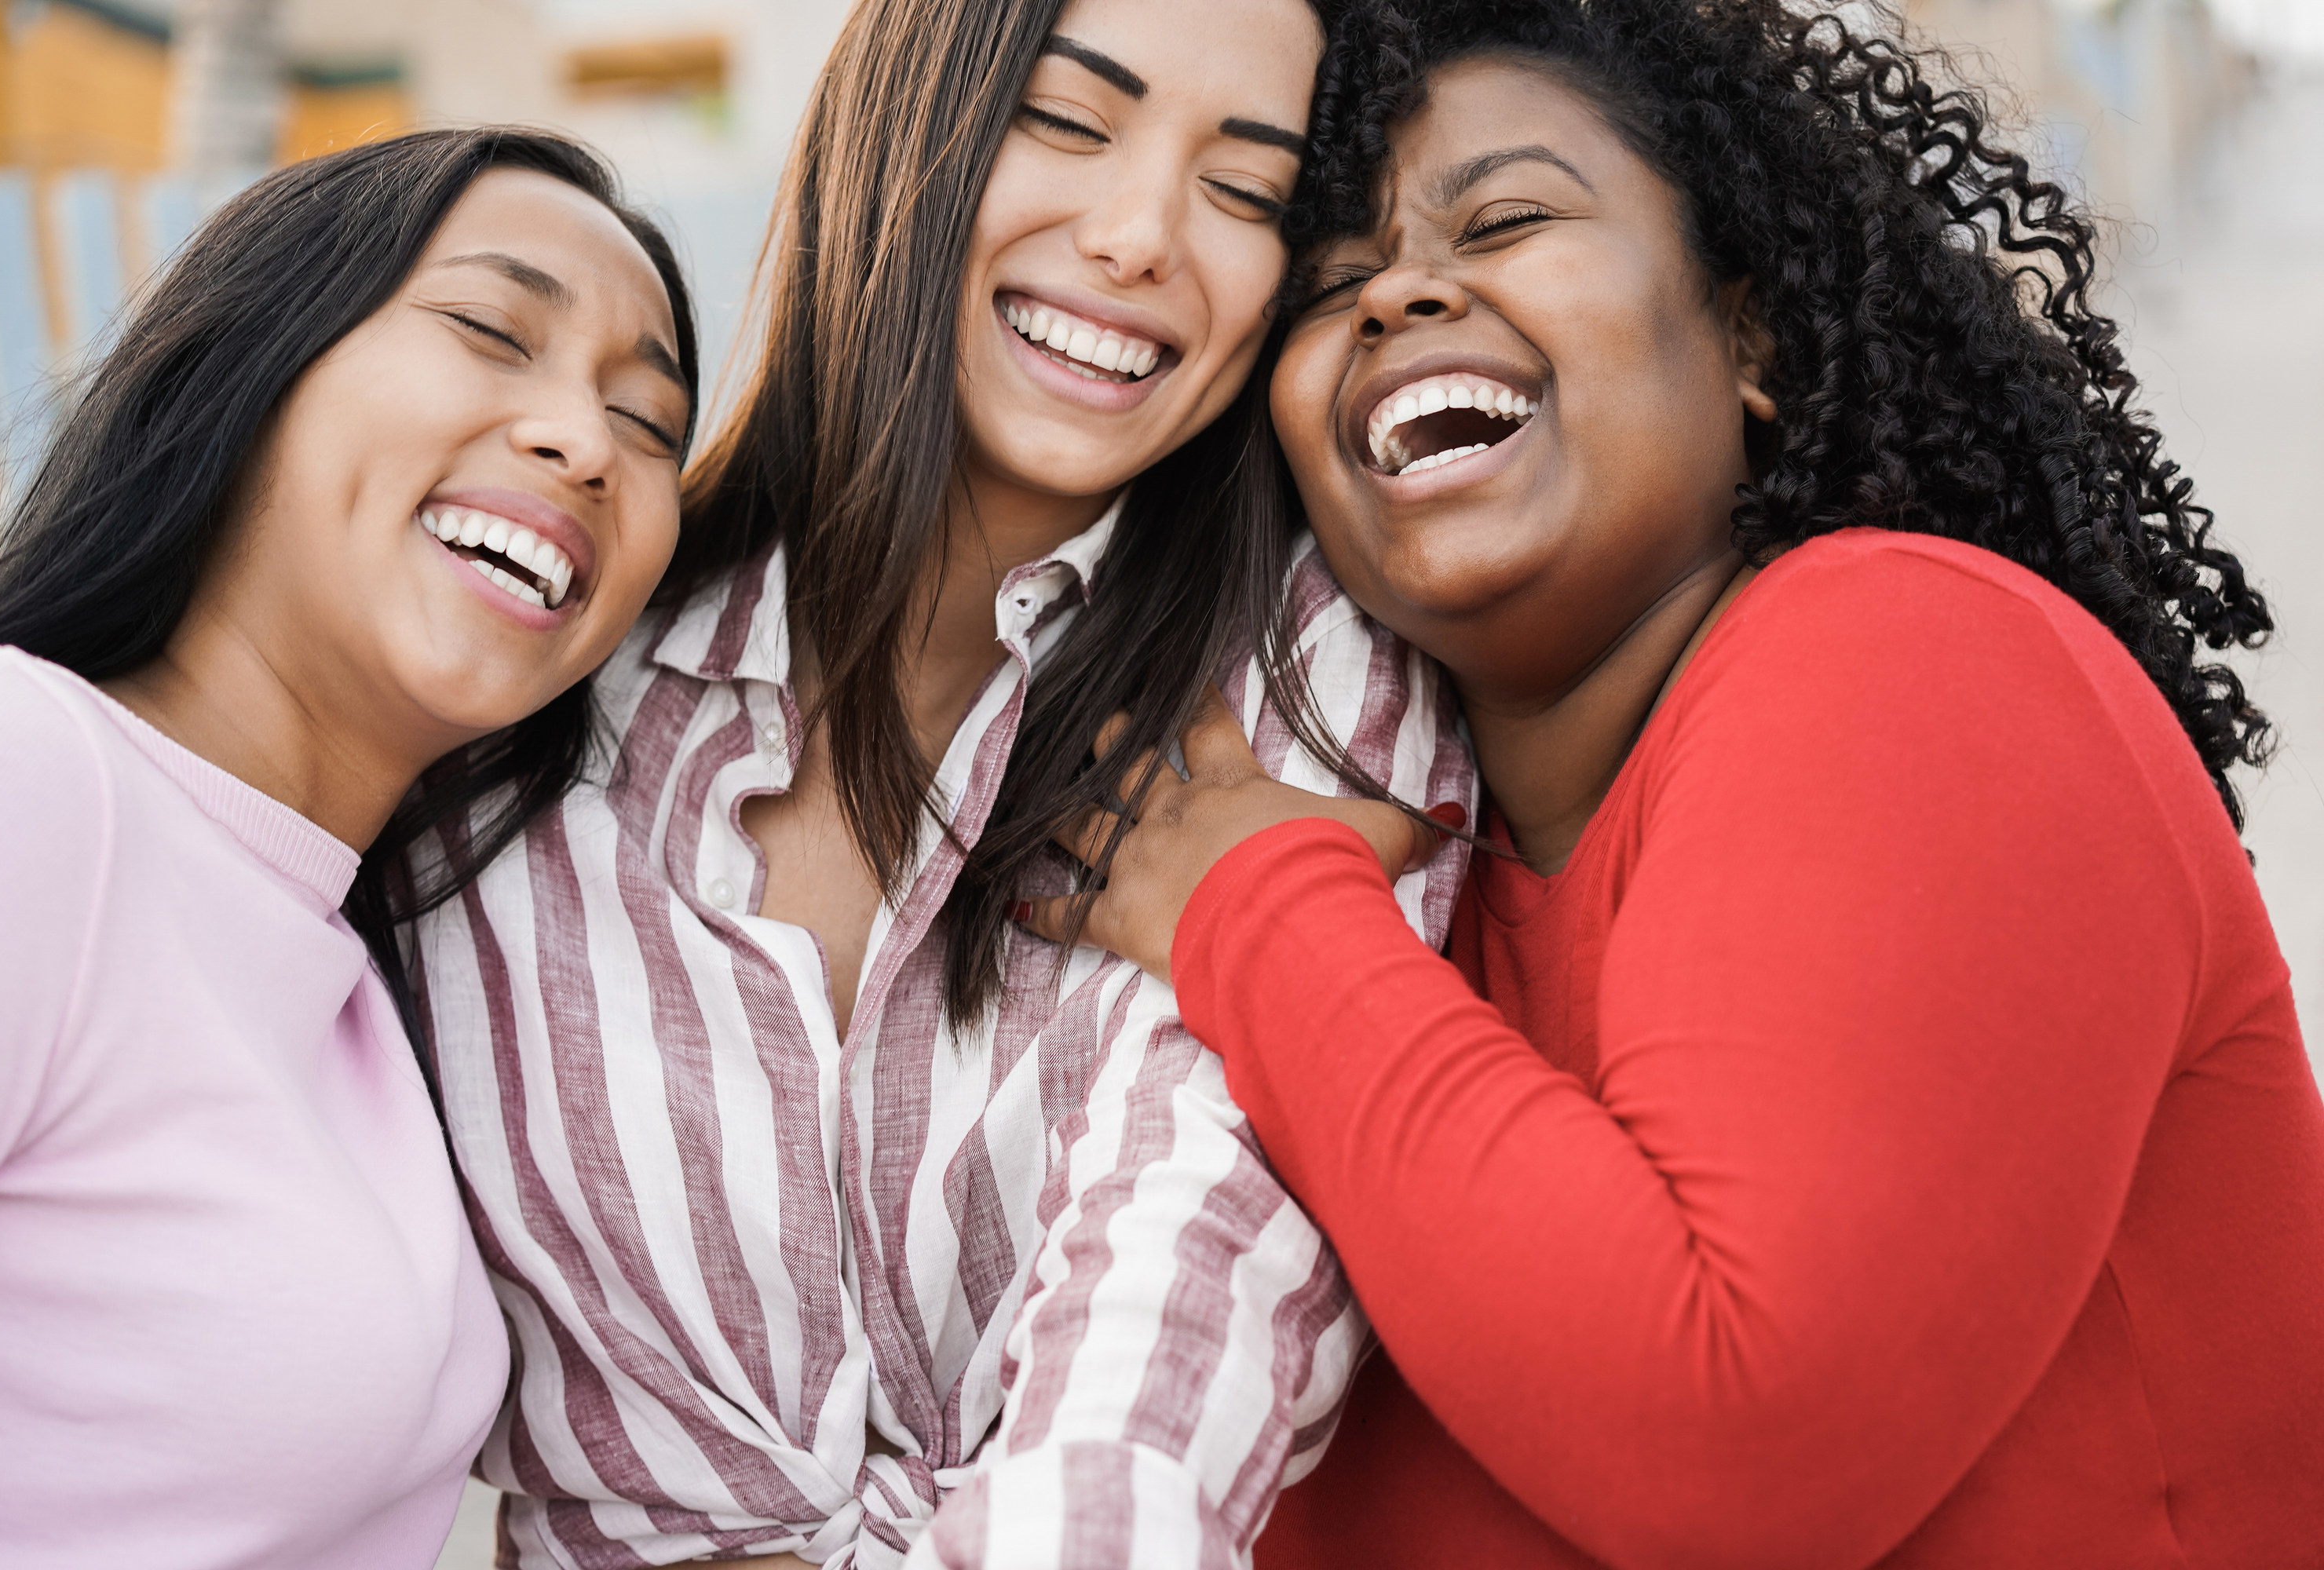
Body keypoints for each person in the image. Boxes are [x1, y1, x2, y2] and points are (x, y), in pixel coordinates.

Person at [1029, 2, 2324, 1565]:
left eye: (1506, 220)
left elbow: (1735, 1440)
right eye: (1330, 287)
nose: (1404, 295)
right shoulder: (1409, 875)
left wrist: (1256, 908)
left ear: (1752, 336)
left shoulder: (1915, 657)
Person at [407, 1, 1471, 1566]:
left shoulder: (1306, 696)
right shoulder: (547, 678)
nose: (1136, 238)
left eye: (1243, 194)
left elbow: (1175, 1341)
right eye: (1068, 118)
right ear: (907, 117)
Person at [0, 129, 697, 1568]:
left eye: (654, 425)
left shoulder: (376, 964)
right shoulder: (24, 773)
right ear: (249, 368)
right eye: (493, 331)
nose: (588, 443)